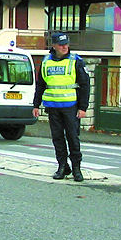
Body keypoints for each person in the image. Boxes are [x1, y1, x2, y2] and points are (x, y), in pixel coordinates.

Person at [32, 32, 90, 182]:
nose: (64, 47)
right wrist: (36, 105)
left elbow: (85, 85)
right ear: (54, 46)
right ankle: (62, 166)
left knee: (72, 137)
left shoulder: (75, 61)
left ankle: (76, 168)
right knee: (57, 138)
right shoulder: (46, 61)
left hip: (71, 107)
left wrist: (83, 108)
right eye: (61, 44)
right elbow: (41, 85)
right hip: (53, 107)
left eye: (66, 44)